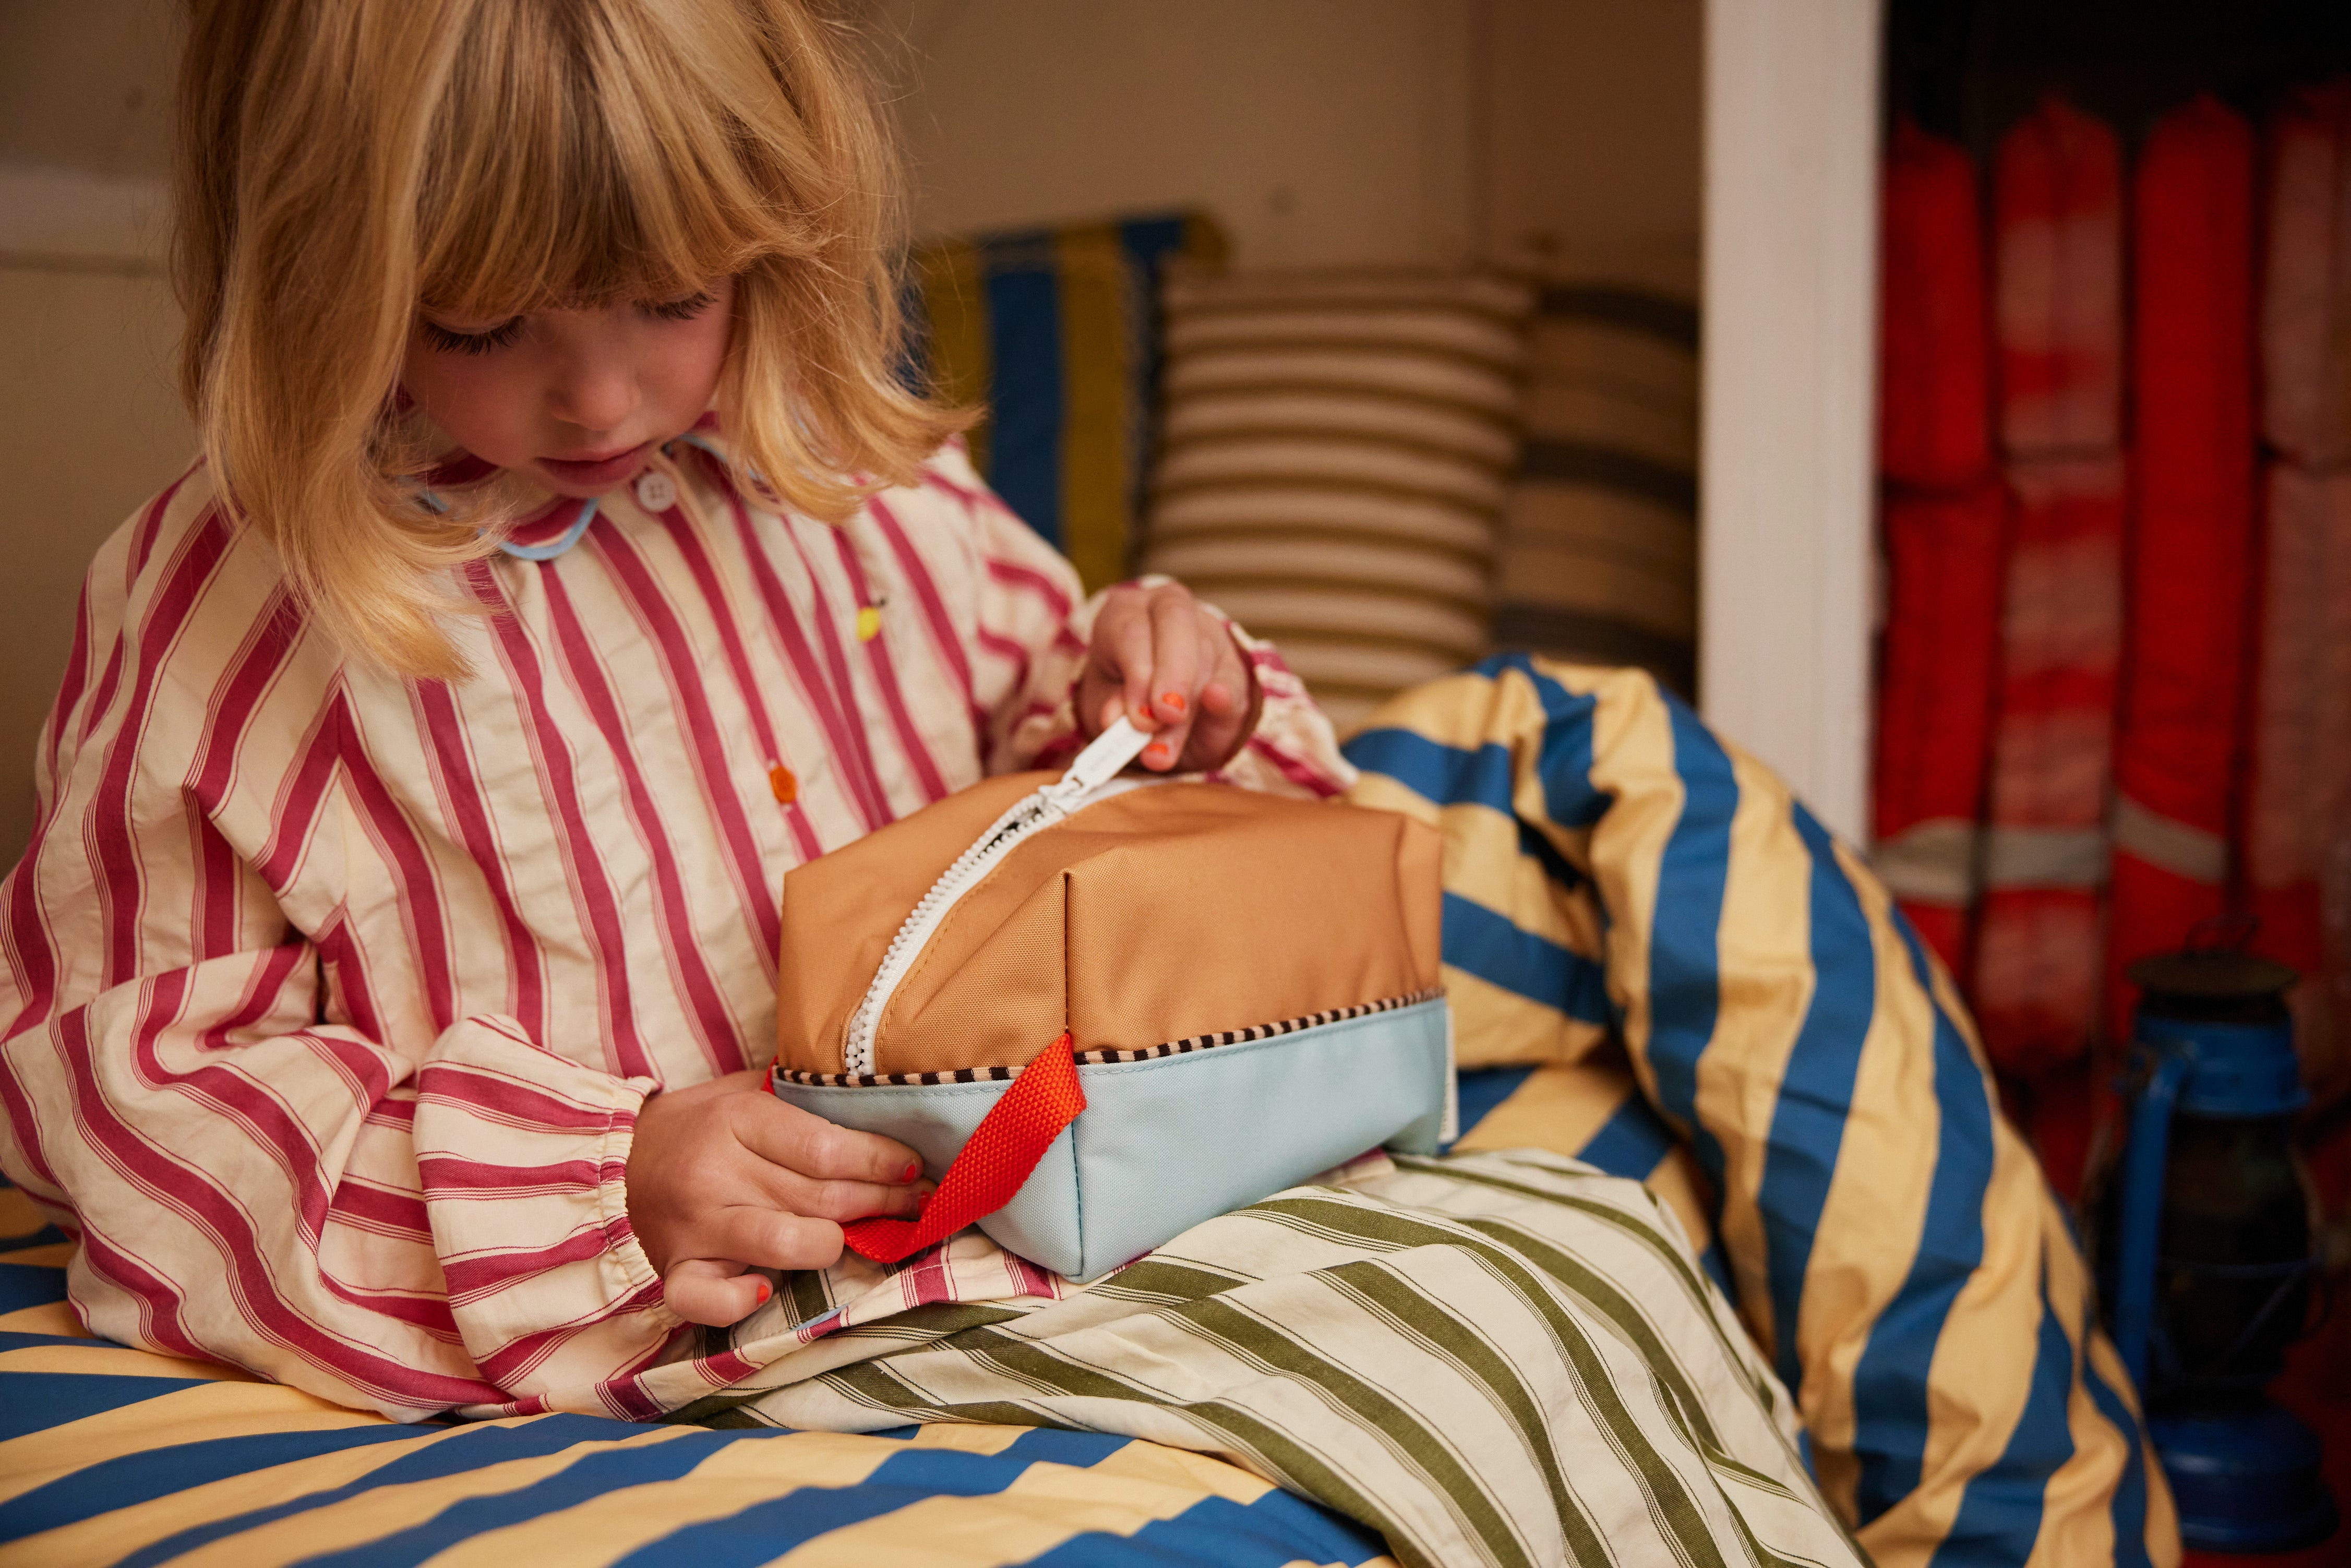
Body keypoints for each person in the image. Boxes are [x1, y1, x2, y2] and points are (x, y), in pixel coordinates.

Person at [0, 0, 1350, 1418]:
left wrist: (1155, 704)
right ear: (311, 264)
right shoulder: (233, 609)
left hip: (1020, 1234)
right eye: (481, 323)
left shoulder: (843, 470)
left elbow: (1046, 772)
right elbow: (128, 1098)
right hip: (644, 1359)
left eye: (674, 299)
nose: (598, 398)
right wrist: (602, 1190)